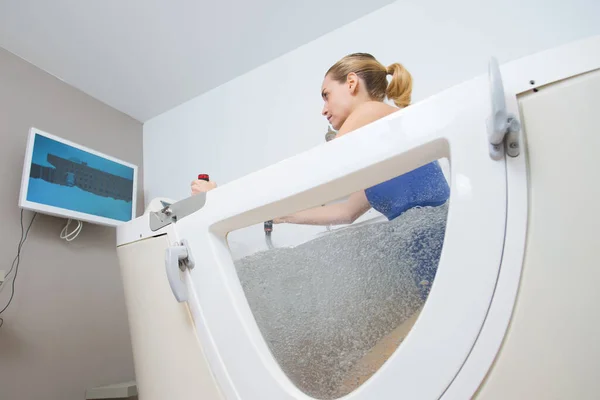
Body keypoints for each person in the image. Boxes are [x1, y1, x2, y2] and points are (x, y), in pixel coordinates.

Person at [191, 53, 449, 227]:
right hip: (417, 245)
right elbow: (346, 213)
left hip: (436, 233)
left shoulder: (371, 111)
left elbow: (318, 170)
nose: (323, 109)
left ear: (351, 83)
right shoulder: (377, 151)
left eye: (326, 95)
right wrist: (277, 215)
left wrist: (223, 198)